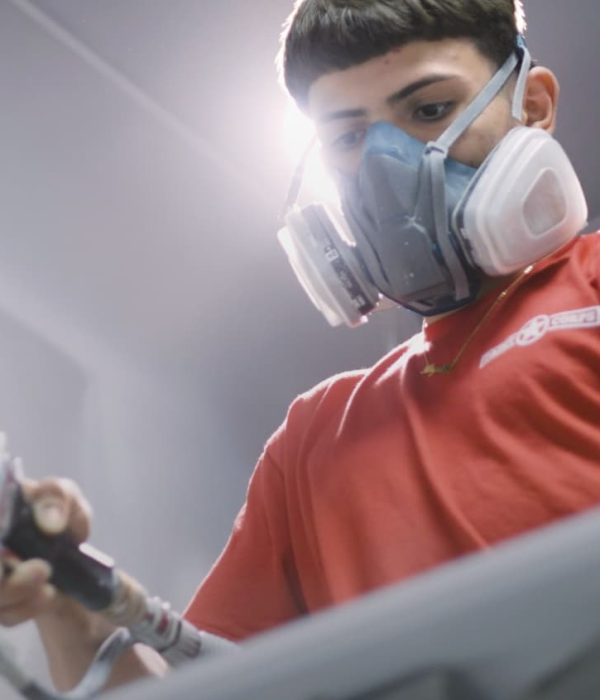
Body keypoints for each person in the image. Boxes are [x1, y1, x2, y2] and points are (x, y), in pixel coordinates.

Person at [1, 0, 599, 693]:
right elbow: (191, 689)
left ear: (534, 106)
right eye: (349, 139)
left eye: (431, 110)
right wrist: (66, 594)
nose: (387, 165)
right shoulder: (315, 439)